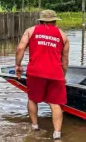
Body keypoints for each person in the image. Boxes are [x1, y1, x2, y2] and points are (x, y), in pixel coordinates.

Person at [15, 10, 70, 141]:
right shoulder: (63, 35)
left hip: (35, 72)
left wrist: (18, 65)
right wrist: (63, 75)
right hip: (55, 73)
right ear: (55, 21)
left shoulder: (31, 31)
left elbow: (20, 48)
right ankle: (57, 135)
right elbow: (65, 59)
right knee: (55, 103)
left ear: (40, 20)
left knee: (33, 99)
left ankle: (35, 127)